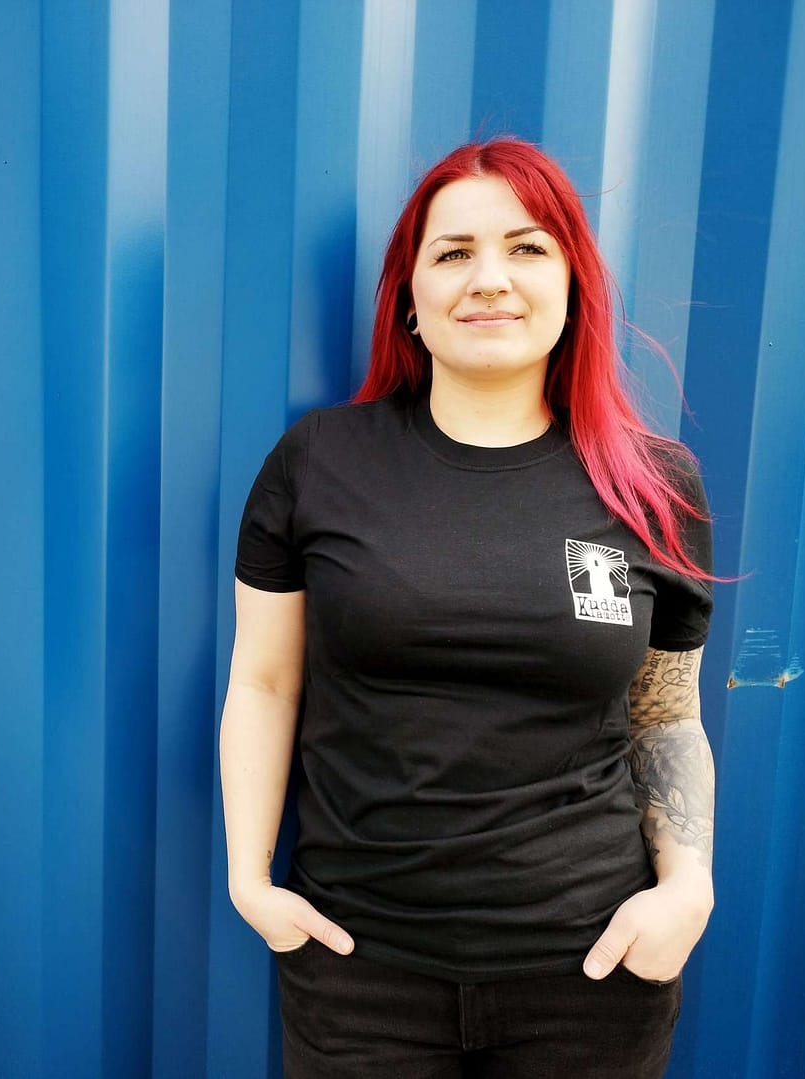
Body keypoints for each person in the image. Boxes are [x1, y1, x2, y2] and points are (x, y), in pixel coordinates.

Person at [220, 138, 717, 1078]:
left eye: (526, 248)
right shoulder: (319, 461)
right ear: (409, 299)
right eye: (453, 252)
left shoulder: (652, 486)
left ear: (572, 285)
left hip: (592, 972)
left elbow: (665, 712)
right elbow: (264, 680)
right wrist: (249, 880)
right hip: (359, 969)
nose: (489, 277)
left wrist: (686, 884)